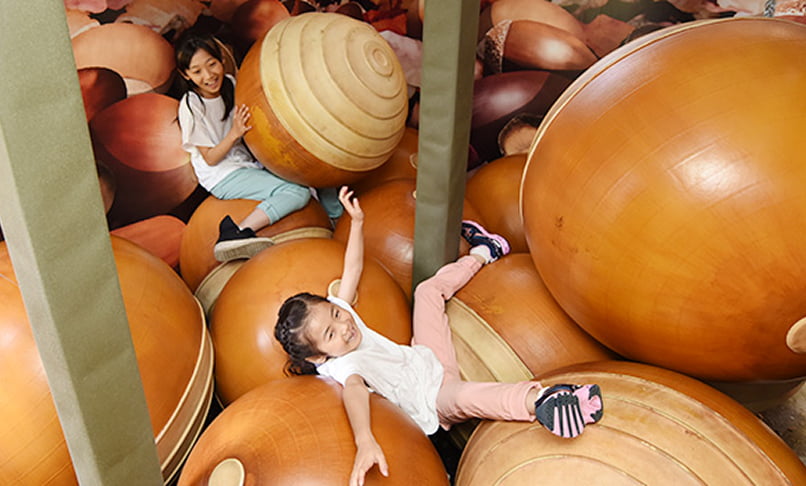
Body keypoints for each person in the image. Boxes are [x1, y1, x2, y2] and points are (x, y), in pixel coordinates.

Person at [274, 186, 604, 486]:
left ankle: (484, 252)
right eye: (331, 333)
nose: (344, 325)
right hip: (432, 400)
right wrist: (365, 441)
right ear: (318, 356)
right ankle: (544, 401)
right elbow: (355, 394)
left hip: (426, 357)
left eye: (336, 313)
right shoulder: (344, 367)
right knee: (465, 397)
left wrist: (358, 223)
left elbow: (352, 270)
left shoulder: (340, 314)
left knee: (427, 291)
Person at [175, 32, 313, 262]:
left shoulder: (230, 83)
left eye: (212, 64)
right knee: (297, 192)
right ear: (185, 74)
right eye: (197, 71)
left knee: (307, 169)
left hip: (246, 163)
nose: (208, 75)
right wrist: (235, 133)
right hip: (221, 175)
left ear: (221, 60)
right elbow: (210, 158)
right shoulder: (191, 104)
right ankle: (236, 231)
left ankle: (336, 218)